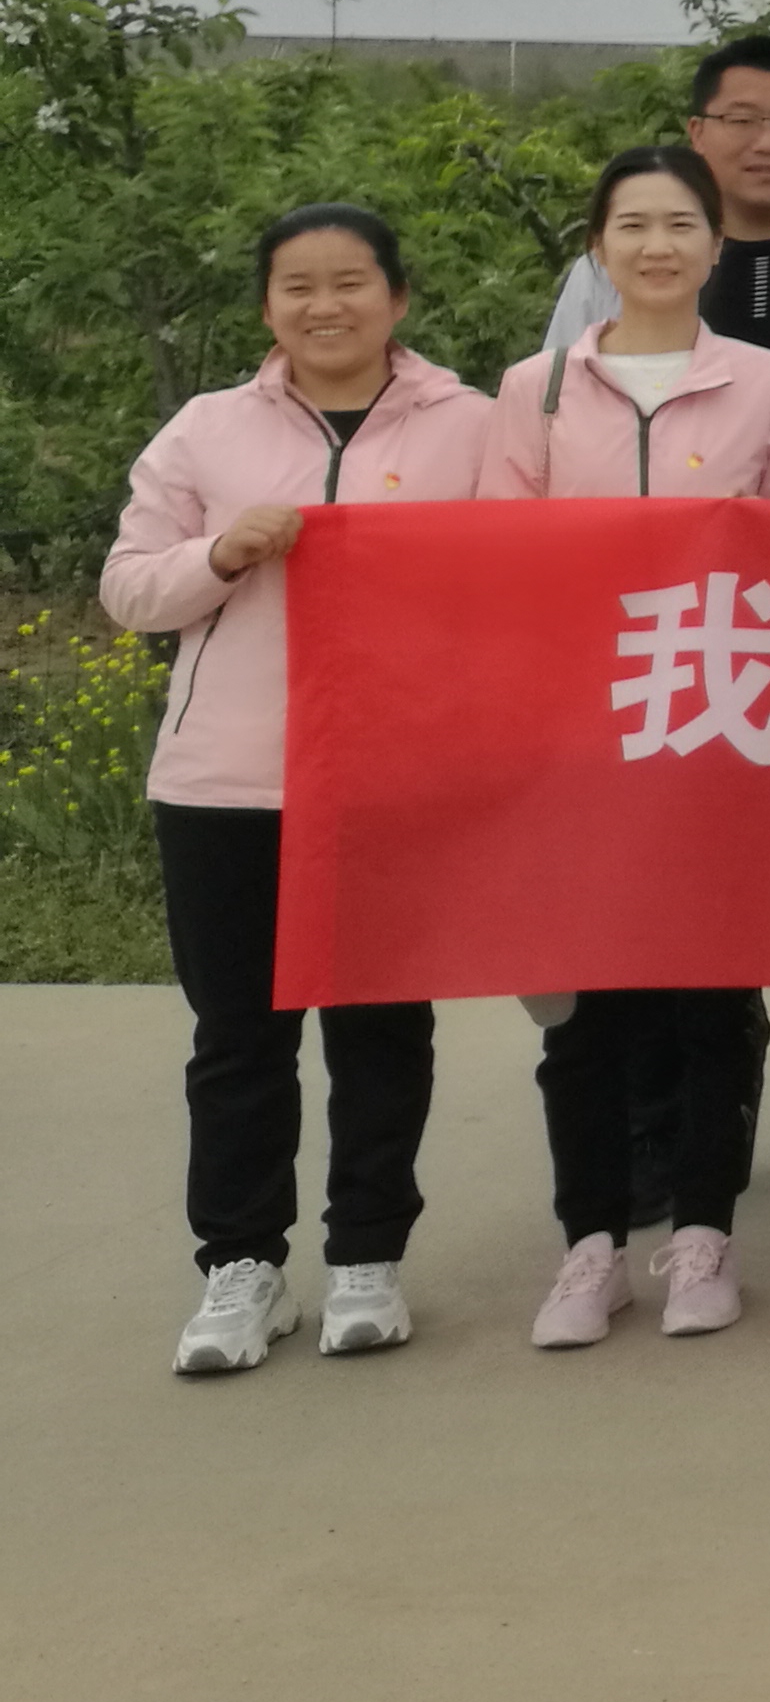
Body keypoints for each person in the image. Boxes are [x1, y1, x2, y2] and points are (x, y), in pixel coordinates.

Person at [104, 206, 493, 1376]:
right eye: (298, 286)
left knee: (381, 1029)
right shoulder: (206, 429)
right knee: (239, 1039)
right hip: (226, 783)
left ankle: (368, 1256)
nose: (326, 306)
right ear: (268, 306)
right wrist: (220, 553)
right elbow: (129, 590)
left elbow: (521, 587)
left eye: (351, 282)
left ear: (398, 299)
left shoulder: (471, 427)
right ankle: (242, 1267)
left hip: (393, 783)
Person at [540, 31, 770, 1204]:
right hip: (641, 641)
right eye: (740, 118)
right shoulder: (613, 265)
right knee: (662, 887)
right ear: (697, 133)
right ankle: (663, 1129)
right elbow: (551, 434)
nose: (765, 141)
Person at [484, 145, 770, 1346]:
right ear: (598, 247)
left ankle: (703, 1235)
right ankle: (589, 1247)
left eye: (681, 223)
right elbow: (499, 562)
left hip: (713, 730)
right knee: (583, 1010)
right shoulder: (535, 389)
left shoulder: (767, 382)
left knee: (709, 999)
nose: (657, 245)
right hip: (575, 741)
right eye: (632, 224)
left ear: (716, 247)